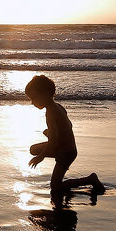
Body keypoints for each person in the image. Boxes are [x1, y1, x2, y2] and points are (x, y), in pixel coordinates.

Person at [24, 75, 103, 207]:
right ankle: (59, 162)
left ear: (45, 94)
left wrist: (42, 156)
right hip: (66, 147)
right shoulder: (57, 107)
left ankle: (90, 179)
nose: (32, 102)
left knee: (55, 186)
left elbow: (54, 140)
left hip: (66, 152)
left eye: (34, 98)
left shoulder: (51, 112)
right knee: (33, 149)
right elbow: (67, 127)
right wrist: (48, 133)